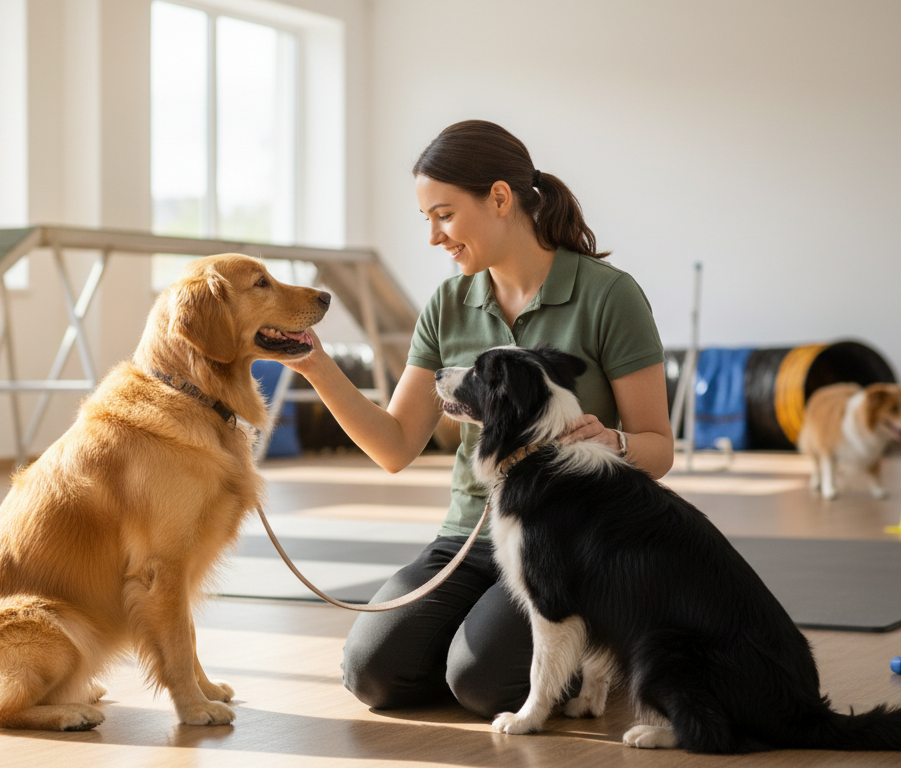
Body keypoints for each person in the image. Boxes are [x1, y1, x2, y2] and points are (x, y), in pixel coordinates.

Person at [282, 120, 673, 718]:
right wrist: (315, 364)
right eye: (427, 220)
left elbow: (658, 448)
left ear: (498, 198)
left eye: (444, 215)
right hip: (473, 535)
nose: (435, 236)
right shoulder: (448, 304)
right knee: (372, 674)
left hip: (569, 542)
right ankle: (503, 652)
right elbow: (393, 447)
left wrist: (617, 442)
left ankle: (598, 649)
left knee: (482, 683)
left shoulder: (608, 295)